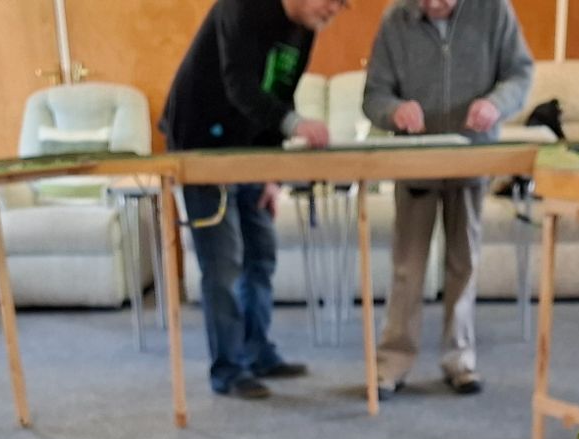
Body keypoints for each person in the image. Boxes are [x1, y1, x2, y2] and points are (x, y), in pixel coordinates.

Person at [162, 0, 348, 399]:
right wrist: (296, 125)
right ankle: (228, 368)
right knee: (223, 263)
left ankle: (256, 351)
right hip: (201, 143)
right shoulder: (242, 6)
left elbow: (281, 92)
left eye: (343, 3)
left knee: (260, 255)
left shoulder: (305, 27)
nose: (335, 9)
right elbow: (240, 85)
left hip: (251, 148)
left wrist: (272, 173)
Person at [364, 0, 532, 396]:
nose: (432, 5)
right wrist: (394, 111)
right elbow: (374, 95)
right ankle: (392, 363)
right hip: (416, 162)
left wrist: (495, 104)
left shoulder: (494, 11)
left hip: (472, 158)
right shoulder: (395, 19)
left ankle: (460, 359)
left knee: (464, 263)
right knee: (407, 269)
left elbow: (520, 75)